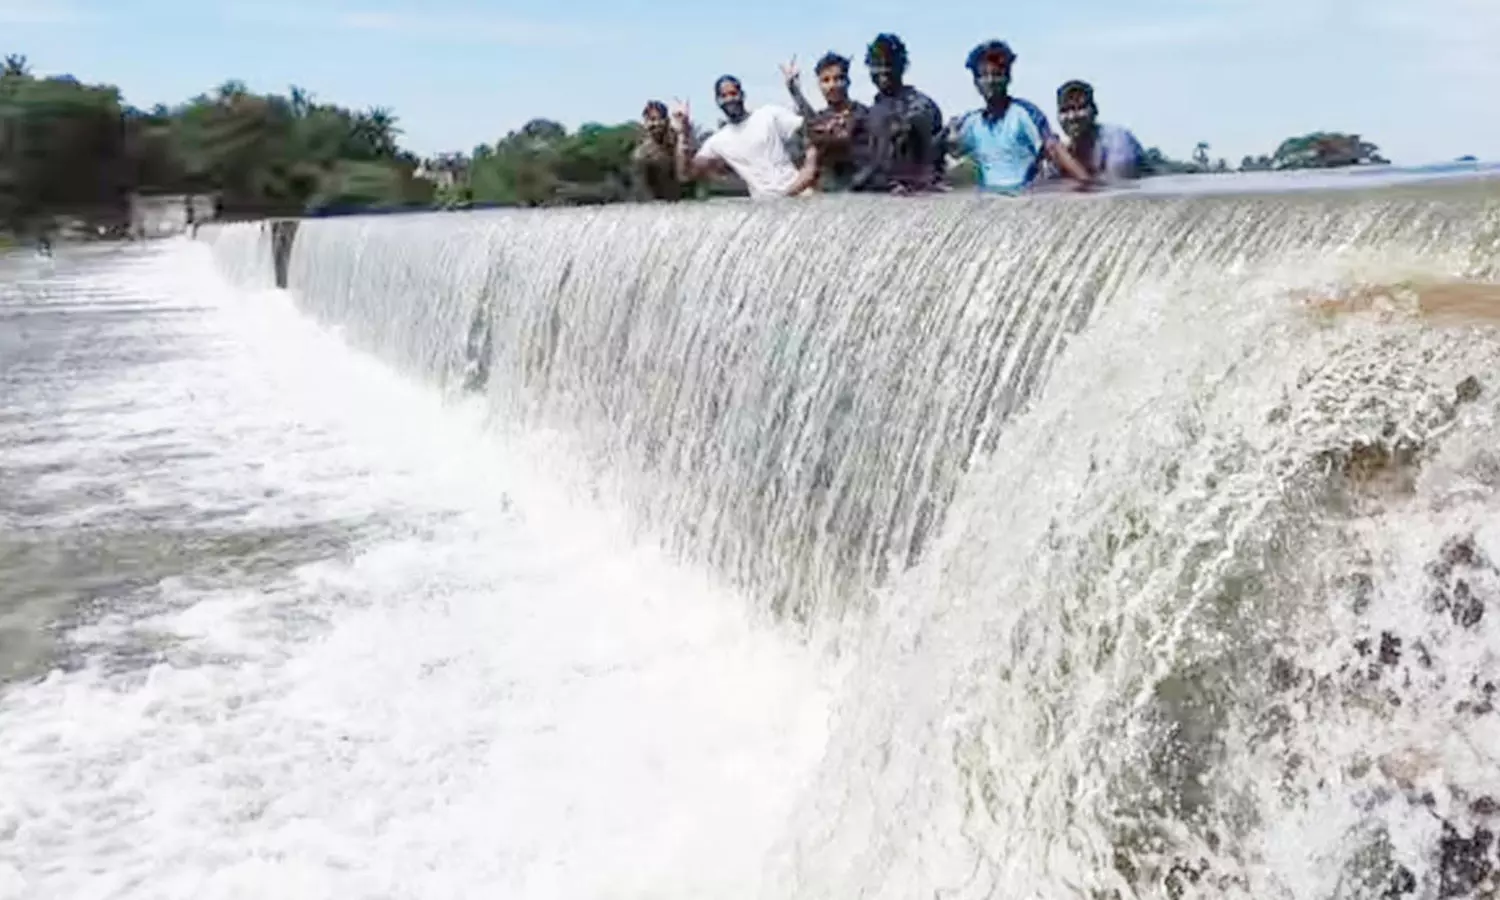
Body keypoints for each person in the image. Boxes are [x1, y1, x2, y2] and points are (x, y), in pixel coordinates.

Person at [946, 40, 1093, 194]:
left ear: (1008, 78)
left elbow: (1053, 147)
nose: (990, 81)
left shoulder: (1024, 113)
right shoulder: (971, 122)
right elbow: (953, 151)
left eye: (997, 74)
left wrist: (1085, 182)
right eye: (984, 76)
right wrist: (951, 139)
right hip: (988, 200)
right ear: (976, 82)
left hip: (1025, 197)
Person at [673, 75, 805, 198]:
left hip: (798, 192)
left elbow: (810, 130)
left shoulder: (768, 114)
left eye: (733, 93)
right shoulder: (718, 141)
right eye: (723, 96)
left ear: (742, 95)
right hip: (765, 207)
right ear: (717, 101)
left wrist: (796, 92)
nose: (729, 99)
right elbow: (685, 174)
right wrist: (682, 133)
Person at [780, 52, 875, 193]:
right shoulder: (817, 122)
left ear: (848, 81)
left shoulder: (865, 115)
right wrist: (782, 198)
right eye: (826, 80)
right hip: (828, 198)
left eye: (838, 79)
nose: (832, 85)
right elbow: (809, 171)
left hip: (864, 194)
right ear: (819, 84)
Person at [862, 33, 946, 193]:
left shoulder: (921, 104)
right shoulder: (873, 110)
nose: (883, 70)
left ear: (902, 66)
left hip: (917, 193)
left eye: (889, 64)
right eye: (876, 64)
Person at [1055, 80, 1144, 182]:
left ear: (1095, 110)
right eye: (1064, 110)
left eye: (1079, 108)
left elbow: (1119, 189)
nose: (1071, 117)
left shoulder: (1117, 141)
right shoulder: (1064, 149)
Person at [633, 100, 690, 201]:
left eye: (660, 119)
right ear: (645, 122)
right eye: (651, 119)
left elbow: (684, 174)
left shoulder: (676, 138)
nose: (656, 124)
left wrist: (682, 131)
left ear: (667, 120)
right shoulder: (642, 153)